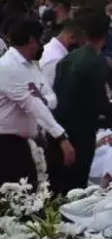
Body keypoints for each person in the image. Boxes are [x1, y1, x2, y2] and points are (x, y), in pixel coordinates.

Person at [47, 10, 112, 194]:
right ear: (105, 37)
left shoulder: (67, 58)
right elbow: (100, 103)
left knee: (57, 187)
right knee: (76, 187)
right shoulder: (96, 62)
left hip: (59, 132)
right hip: (81, 133)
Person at [0, 17, 75, 187]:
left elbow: (49, 98)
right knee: (16, 201)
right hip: (5, 145)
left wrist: (44, 101)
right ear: (31, 40)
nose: (41, 46)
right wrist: (62, 137)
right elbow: (32, 104)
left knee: (29, 196)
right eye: (39, 40)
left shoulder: (31, 66)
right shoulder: (8, 67)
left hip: (22, 144)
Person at [39, 19, 82, 99]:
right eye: (81, 44)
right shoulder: (56, 59)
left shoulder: (50, 48)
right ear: (71, 38)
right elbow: (48, 94)